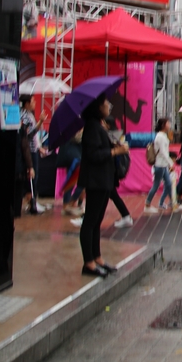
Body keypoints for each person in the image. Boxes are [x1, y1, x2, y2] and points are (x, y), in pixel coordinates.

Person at [79, 95, 128, 277]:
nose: (109, 106)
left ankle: (97, 257)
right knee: (90, 221)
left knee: (97, 221)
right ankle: (88, 263)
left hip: (104, 180)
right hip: (96, 180)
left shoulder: (99, 125)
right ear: (98, 107)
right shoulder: (91, 127)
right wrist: (116, 151)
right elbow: (94, 155)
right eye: (106, 103)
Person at [143, 117, 180, 215]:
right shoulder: (160, 137)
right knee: (156, 185)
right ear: (163, 125)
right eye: (168, 123)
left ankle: (170, 203)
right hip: (159, 165)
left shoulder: (163, 136)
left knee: (168, 183)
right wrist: (171, 163)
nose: (169, 125)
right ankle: (147, 205)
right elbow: (164, 152)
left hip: (162, 165)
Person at [20, 94, 47, 214]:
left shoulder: (30, 115)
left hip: (34, 149)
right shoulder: (24, 116)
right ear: (26, 103)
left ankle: (33, 201)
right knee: (31, 177)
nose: (34, 103)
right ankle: (31, 203)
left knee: (35, 177)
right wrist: (40, 121)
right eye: (32, 101)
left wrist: (39, 147)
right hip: (29, 151)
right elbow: (28, 134)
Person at [58, 131, 85, 217]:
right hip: (74, 157)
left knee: (71, 180)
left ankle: (70, 204)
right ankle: (69, 204)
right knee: (81, 180)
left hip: (72, 155)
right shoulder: (75, 126)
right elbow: (76, 138)